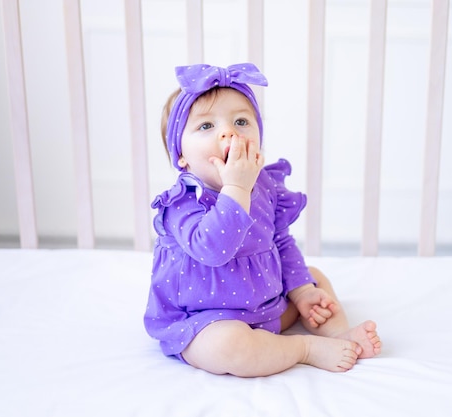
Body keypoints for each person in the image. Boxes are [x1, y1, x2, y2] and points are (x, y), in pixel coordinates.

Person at [144, 63, 381, 377]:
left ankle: (338, 336)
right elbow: (213, 249)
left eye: (241, 121)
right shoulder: (182, 202)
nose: (229, 132)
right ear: (181, 155)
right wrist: (236, 189)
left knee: (314, 277)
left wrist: (302, 293)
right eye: (206, 127)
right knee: (228, 347)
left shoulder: (264, 186)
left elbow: (280, 241)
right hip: (204, 320)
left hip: (269, 309)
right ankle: (304, 348)